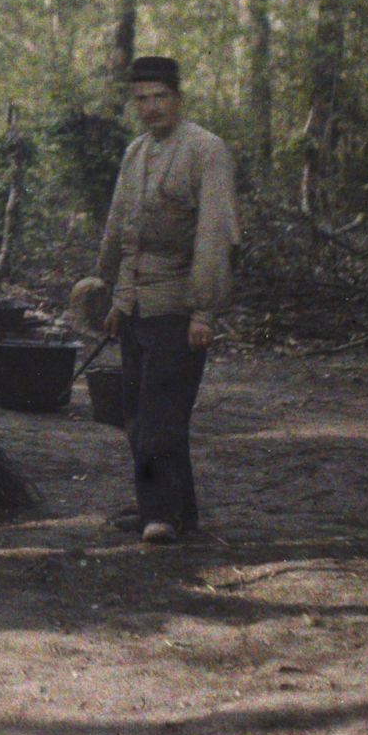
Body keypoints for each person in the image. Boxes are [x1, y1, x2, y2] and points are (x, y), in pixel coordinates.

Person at [82, 55, 238, 546]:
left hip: (179, 307)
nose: (151, 107)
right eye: (141, 99)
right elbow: (119, 231)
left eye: (160, 97)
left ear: (178, 97)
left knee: (159, 420)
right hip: (137, 309)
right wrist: (113, 297)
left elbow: (215, 235)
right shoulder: (136, 152)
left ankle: (158, 515)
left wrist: (205, 311)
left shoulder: (206, 150)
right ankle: (179, 510)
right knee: (138, 418)